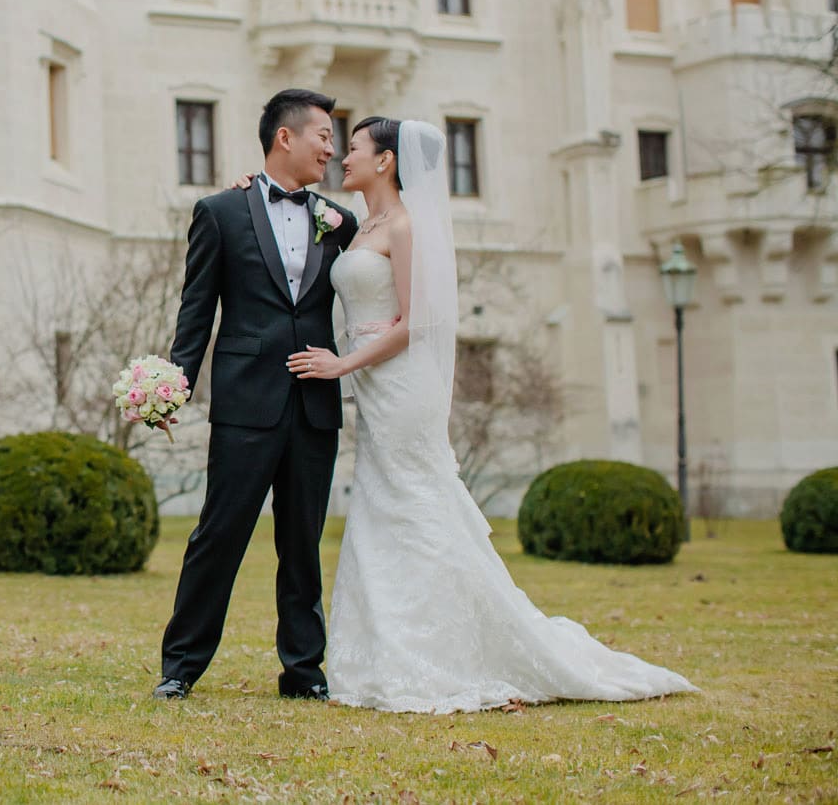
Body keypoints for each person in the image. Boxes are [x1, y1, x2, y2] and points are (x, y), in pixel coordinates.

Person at [286, 116, 697, 712]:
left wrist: (341, 366)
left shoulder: (403, 225)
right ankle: (386, 650)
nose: (341, 157)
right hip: (376, 388)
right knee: (384, 504)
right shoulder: (358, 223)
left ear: (386, 161)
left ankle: (440, 650)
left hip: (400, 385)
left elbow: (416, 322)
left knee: (413, 502)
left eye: (353, 148)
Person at [152, 89, 359, 702]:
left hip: (315, 404)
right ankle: (180, 668)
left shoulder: (339, 220)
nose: (331, 145)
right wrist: (172, 388)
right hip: (245, 403)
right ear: (284, 138)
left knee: (303, 544)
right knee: (219, 535)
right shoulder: (220, 211)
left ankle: (304, 673)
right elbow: (197, 313)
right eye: (322, 133)